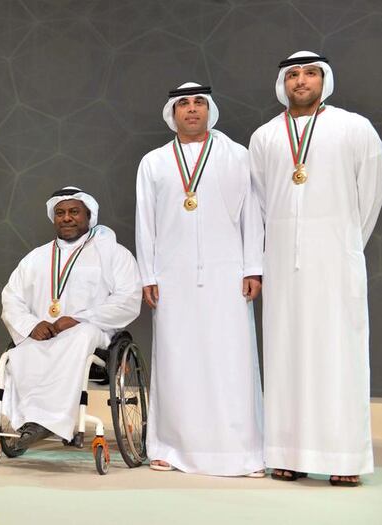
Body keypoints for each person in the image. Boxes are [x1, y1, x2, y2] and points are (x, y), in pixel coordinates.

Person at [249, 51, 382, 487]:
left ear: (324, 79)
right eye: (293, 75)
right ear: (282, 84)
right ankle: (288, 453)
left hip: (336, 261)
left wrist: (344, 242)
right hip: (283, 263)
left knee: (339, 354)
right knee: (286, 353)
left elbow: (372, 194)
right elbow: (258, 203)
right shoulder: (266, 136)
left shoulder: (353, 127)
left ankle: (344, 457)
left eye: (309, 73)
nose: (301, 81)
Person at [135, 83, 265, 476]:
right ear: (172, 113)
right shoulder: (154, 162)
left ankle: (242, 451)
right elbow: (145, 221)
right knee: (176, 358)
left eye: (199, 103)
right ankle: (169, 446)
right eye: (183, 104)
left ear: (210, 110)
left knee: (231, 359)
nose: (191, 110)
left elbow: (252, 215)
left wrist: (252, 268)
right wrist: (148, 274)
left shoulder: (238, 156)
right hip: (171, 275)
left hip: (229, 273)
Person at [0, 187, 141, 447]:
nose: (66, 218)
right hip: (45, 331)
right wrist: (31, 325)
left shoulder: (112, 253)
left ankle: (48, 421)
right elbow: (11, 297)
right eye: (60, 213)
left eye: (74, 212)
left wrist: (79, 318)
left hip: (92, 331)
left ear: (89, 216)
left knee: (80, 335)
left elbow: (128, 298)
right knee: (23, 350)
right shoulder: (36, 258)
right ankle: (32, 419)